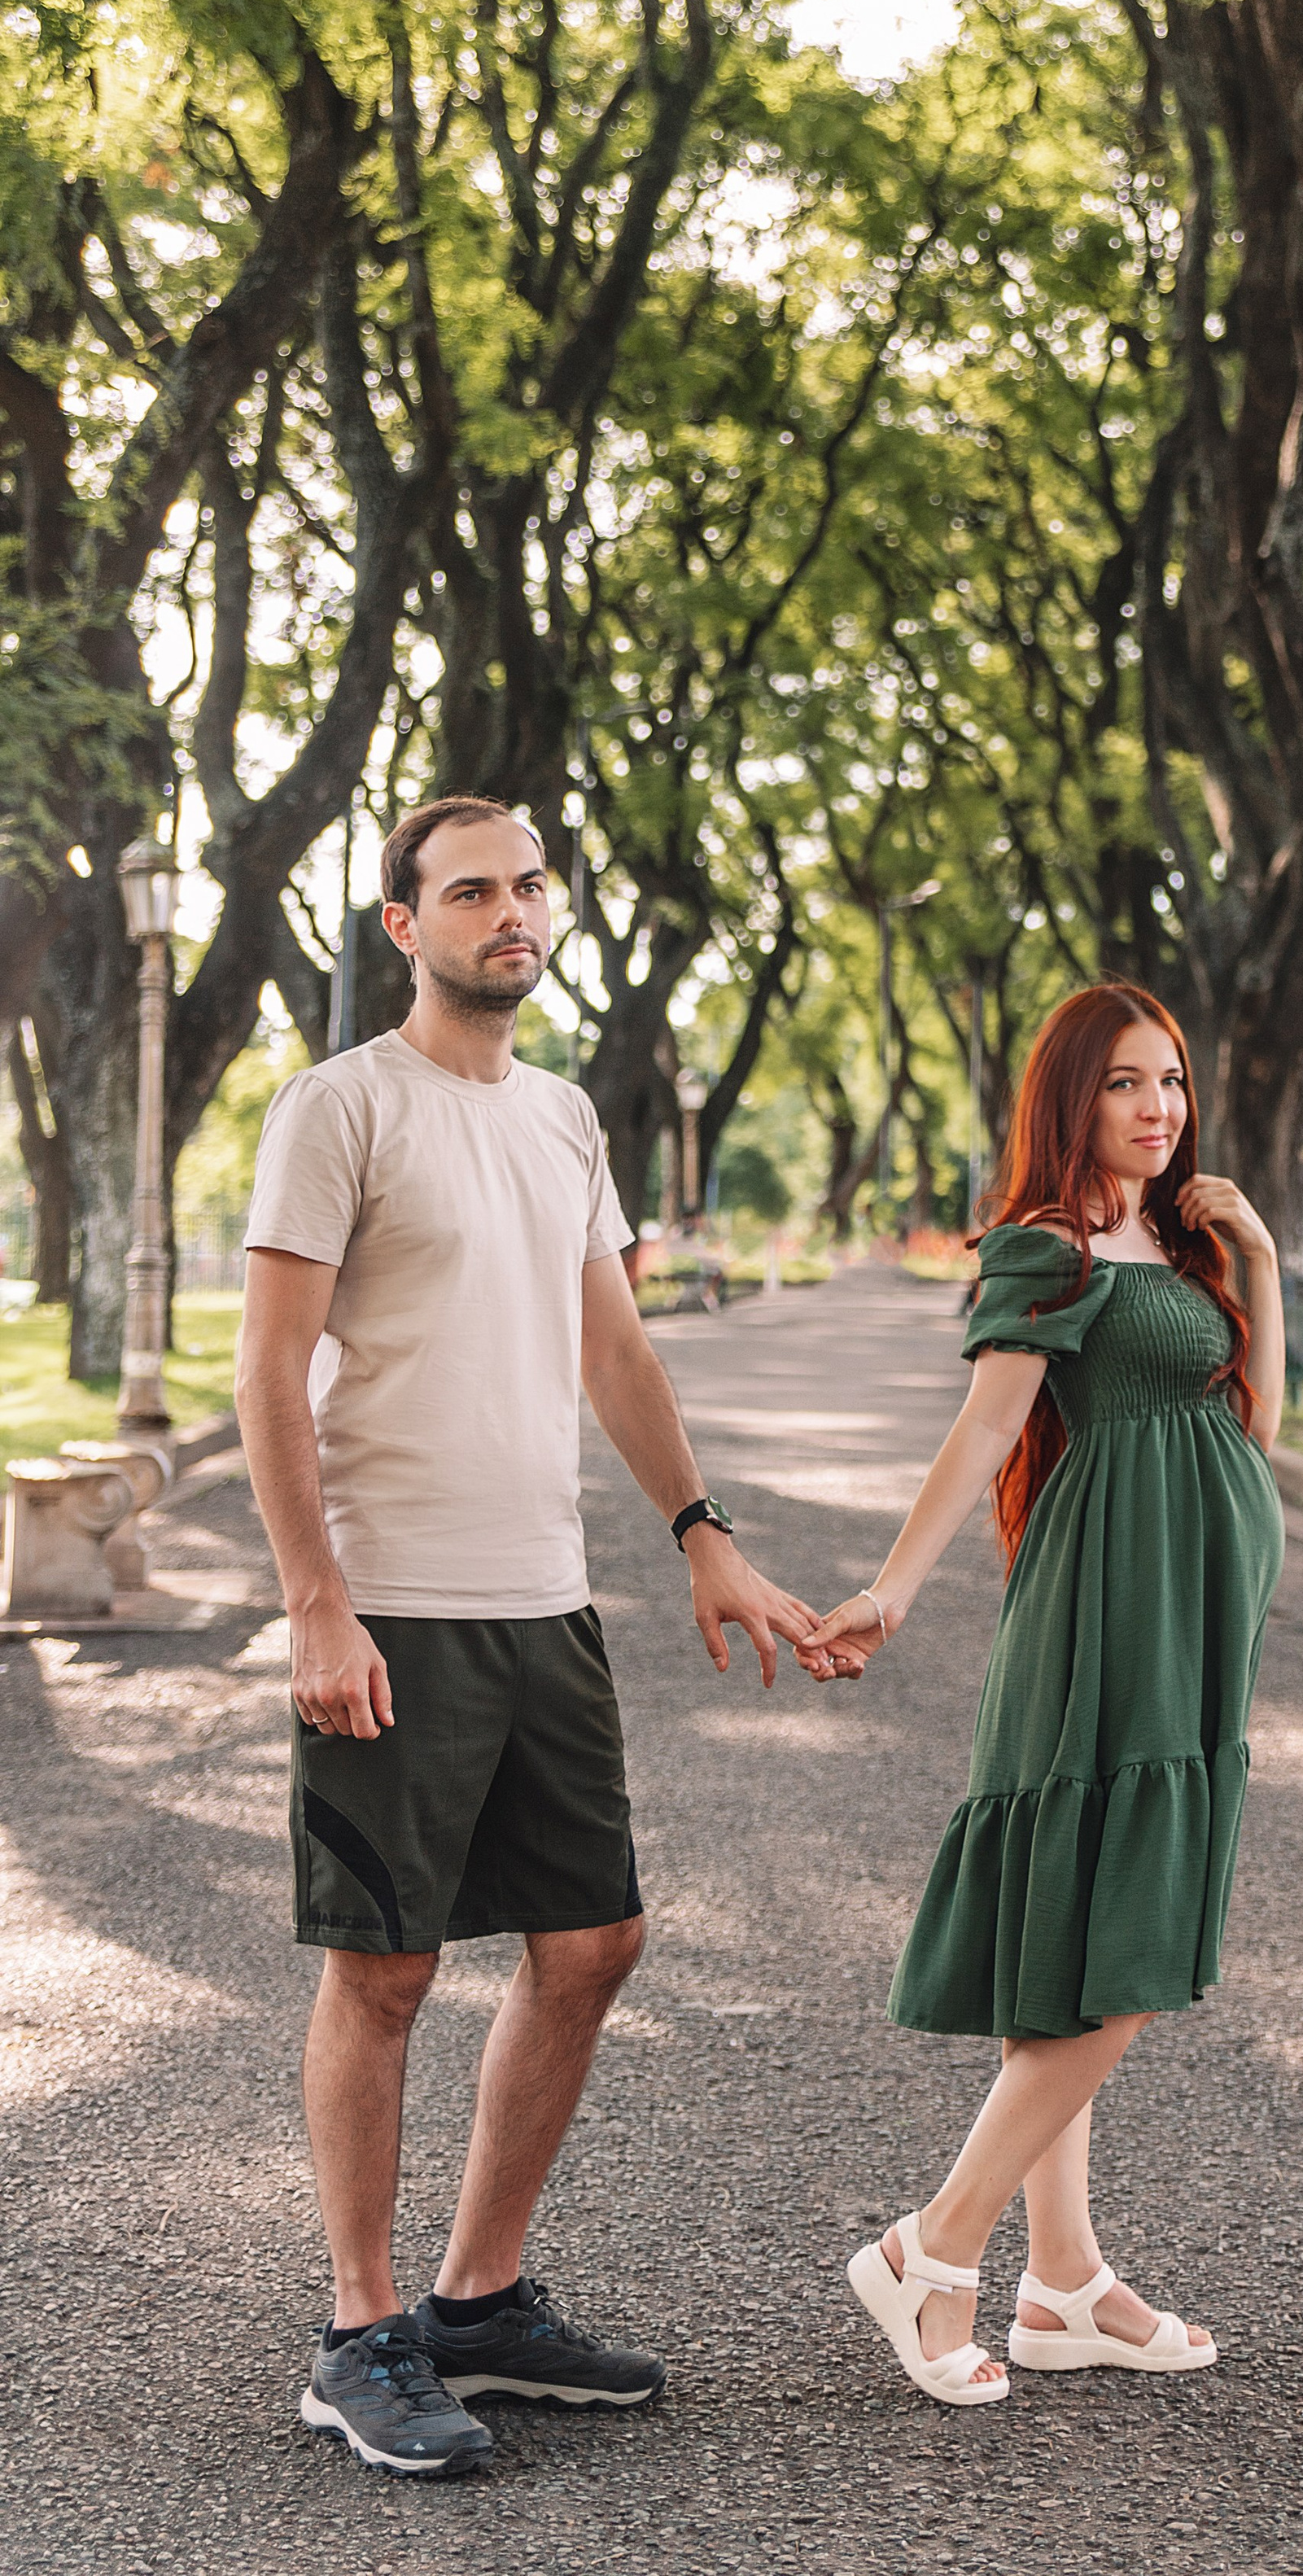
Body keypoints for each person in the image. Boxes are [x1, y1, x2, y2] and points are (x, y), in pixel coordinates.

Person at [237, 794, 820, 2477]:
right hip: (390, 1602)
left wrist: (700, 1535)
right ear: (405, 925)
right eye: (471, 890)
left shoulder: (564, 1119)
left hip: (542, 1600)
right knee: (387, 1965)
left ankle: (478, 2305)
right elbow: (270, 1370)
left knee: (592, 1943)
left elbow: (614, 1352)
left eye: (530, 887)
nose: (511, 912)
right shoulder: (338, 1107)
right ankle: (360, 2337)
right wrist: (316, 1600)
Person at [794, 982, 1286, 2404]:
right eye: (1129, 1084)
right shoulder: (1048, 1249)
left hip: (1199, 1605)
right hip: (1112, 1606)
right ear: (1072, 1098)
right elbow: (989, 1425)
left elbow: (1253, 1426)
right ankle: (932, 2249)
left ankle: (1061, 2279)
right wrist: (893, 1588)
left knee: (1084, 1931)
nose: (1160, 1109)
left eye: (1175, 1082)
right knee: (1121, 1935)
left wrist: (1255, 1258)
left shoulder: (1180, 1243)